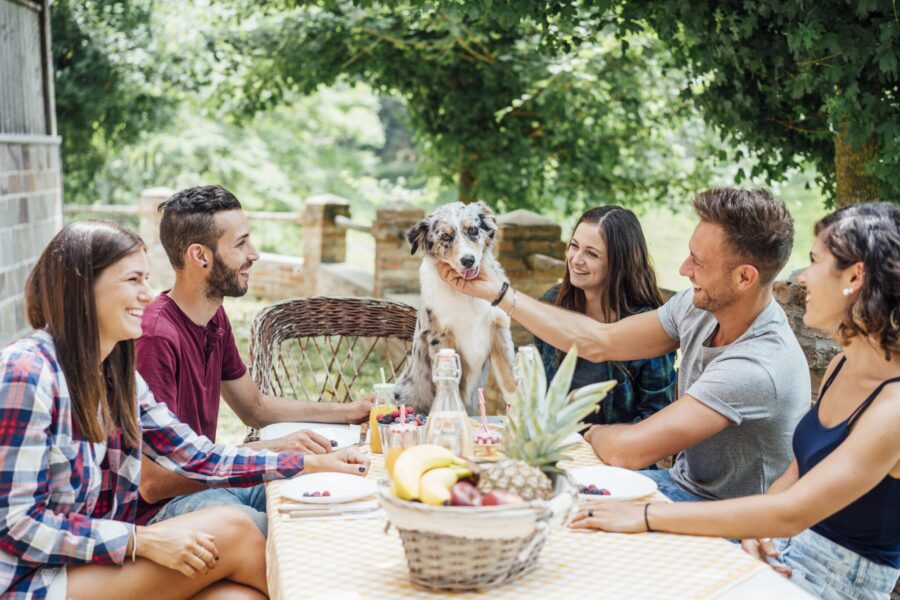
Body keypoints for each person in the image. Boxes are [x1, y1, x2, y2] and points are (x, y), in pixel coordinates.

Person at [0, 221, 369, 599]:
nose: (147, 295)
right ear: (81, 288)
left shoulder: (115, 375)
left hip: (93, 564)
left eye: (146, 279)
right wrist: (141, 540)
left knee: (238, 597)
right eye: (133, 280)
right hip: (32, 579)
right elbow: (15, 525)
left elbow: (197, 457)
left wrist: (309, 463)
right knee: (234, 528)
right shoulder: (26, 374)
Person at [571, 203, 900, 600]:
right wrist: (758, 531)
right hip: (783, 547)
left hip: (837, 580)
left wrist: (646, 515)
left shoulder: (893, 407)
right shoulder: (844, 365)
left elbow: (793, 510)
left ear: (854, 277)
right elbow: (799, 471)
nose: (803, 278)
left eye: (814, 262)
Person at [441, 188, 810, 501]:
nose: (683, 269)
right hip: (676, 486)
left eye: (698, 261)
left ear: (745, 277)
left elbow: (629, 449)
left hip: (728, 519)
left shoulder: (756, 365)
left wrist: (589, 432)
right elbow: (599, 341)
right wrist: (497, 292)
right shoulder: (695, 307)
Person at [135, 185, 372, 533]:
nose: (255, 254)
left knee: (340, 501)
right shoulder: (155, 337)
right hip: (161, 509)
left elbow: (255, 407)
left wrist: (347, 412)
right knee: (287, 534)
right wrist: (272, 449)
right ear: (200, 256)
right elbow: (153, 482)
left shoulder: (213, 317)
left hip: (208, 482)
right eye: (241, 243)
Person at [534, 206, 676, 427]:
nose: (576, 259)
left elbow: (656, 419)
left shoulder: (648, 327)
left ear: (619, 262)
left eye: (592, 253)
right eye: (574, 246)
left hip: (615, 458)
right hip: (553, 453)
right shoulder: (553, 303)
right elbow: (536, 387)